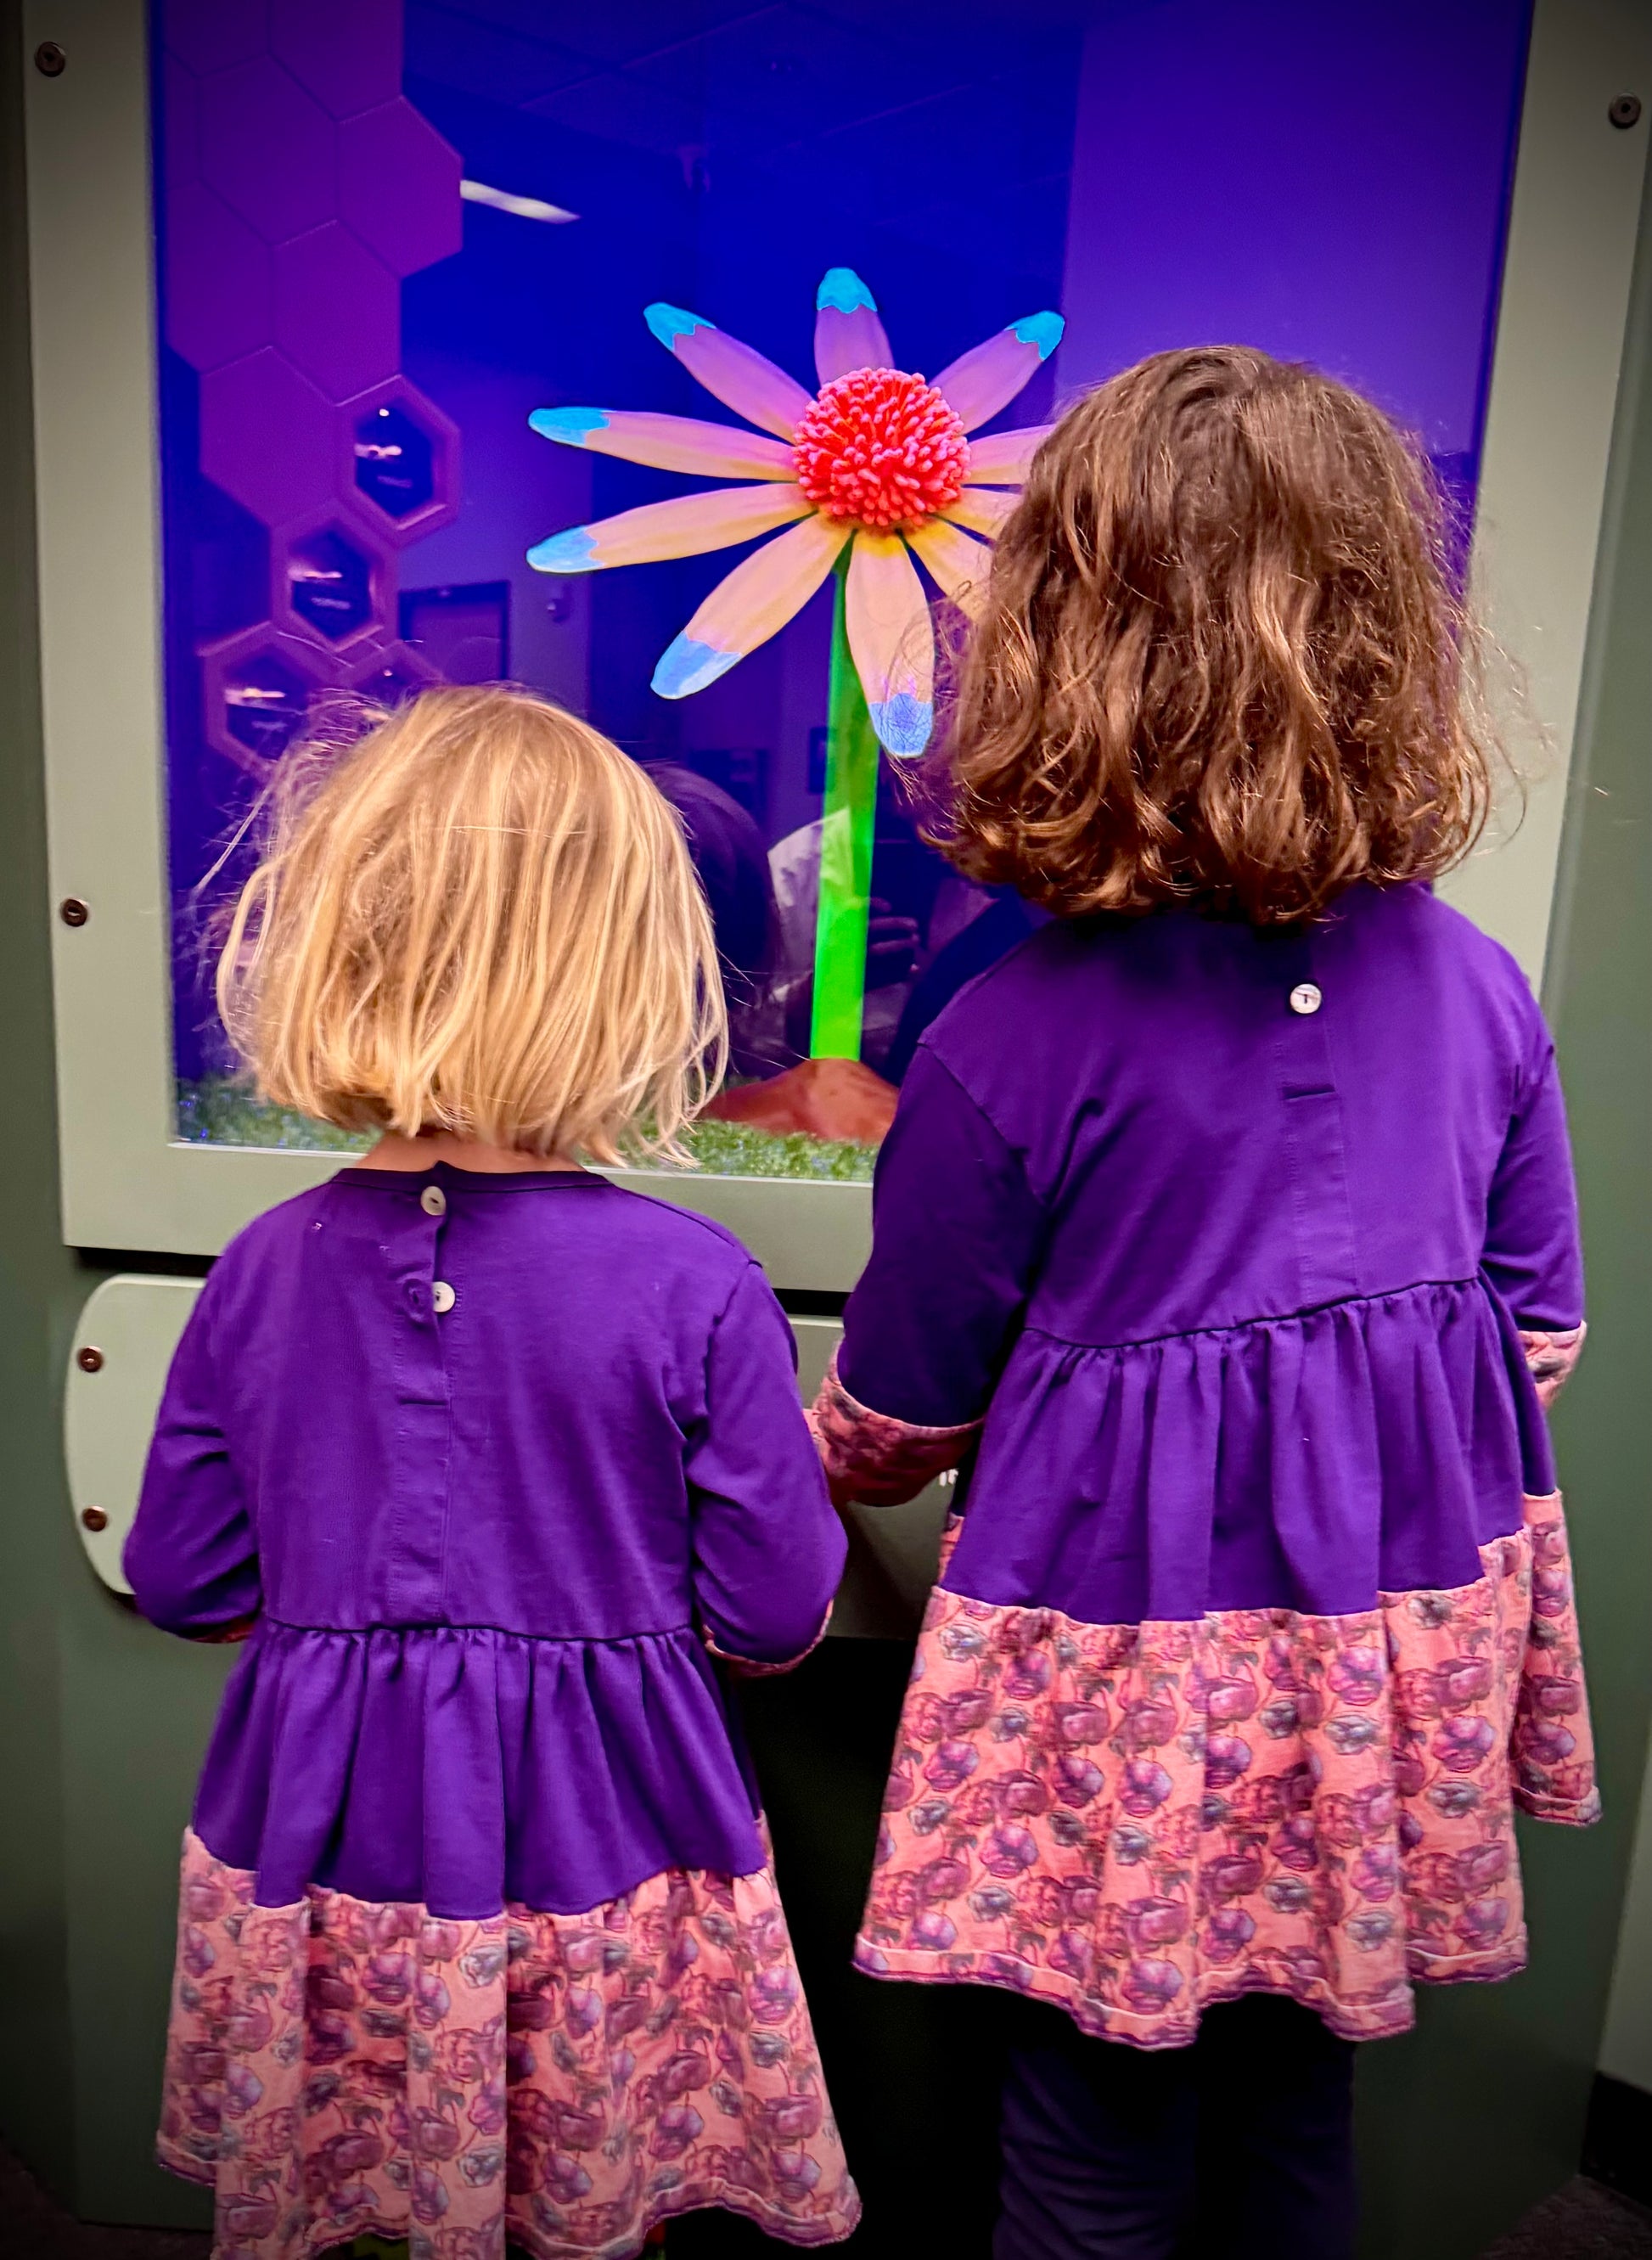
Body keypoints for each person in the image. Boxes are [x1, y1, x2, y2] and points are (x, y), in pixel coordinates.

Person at [808, 348, 1596, 2259]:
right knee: (1295, 2078)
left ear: (1063, 645)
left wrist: (814, 1454)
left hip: (1124, 1690)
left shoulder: (1006, 1034)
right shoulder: (1479, 986)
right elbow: (1539, 1333)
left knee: (1093, 2107)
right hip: (1370, 1672)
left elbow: (904, 1408)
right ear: (1383, 638)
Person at [126, 688, 859, 2260]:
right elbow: (776, 1608)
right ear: (633, 974)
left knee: (359, 2195)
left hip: (327, 1837)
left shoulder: (258, 1271)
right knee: (594, 2199)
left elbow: (186, 1579)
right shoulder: (693, 1282)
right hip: (605, 1837)